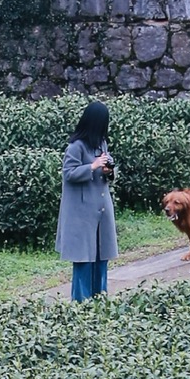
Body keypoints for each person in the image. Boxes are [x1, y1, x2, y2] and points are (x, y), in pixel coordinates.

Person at [57, 99, 117, 301]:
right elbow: (68, 173)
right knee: (83, 259)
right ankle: (81, 304)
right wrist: (92, 166)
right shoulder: (76, 147)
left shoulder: (101, 143)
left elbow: (107, 171)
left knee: (101, 257)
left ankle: (100, 299)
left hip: (101, 209)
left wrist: (109, 170)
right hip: (82, 213)